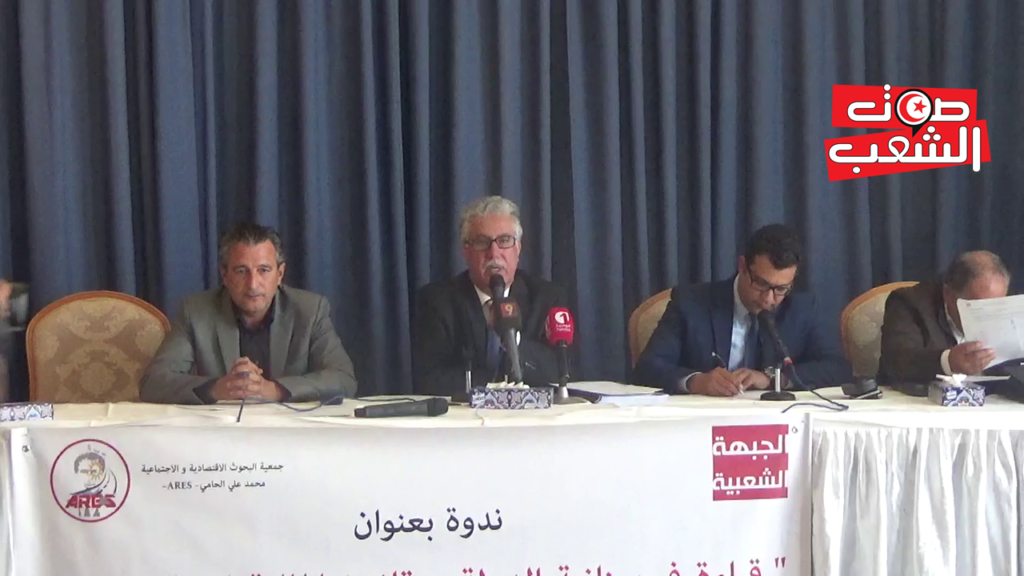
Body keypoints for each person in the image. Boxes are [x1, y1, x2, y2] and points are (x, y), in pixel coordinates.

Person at [140, 222, 358, 404]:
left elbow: (344, 379)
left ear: (280, 274)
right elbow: (153, 383)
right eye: (241, 271)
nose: (253, 284)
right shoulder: (195, 312)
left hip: (289, 434)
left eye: (264, 270)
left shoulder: (310, 310)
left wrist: (274, 390)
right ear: (224, 275)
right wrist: (216, 389)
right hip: (222, 434)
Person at [630, 224, 850, 396]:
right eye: (761, 284)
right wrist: (696, 381)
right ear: (743, 266)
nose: (768, 298)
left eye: (781, 289)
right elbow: (647, 368)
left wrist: (772, 379)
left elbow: (836, 368)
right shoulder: (691, 303)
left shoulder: (803, 307)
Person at [413, 196, 566, 396]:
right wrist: (495, 387)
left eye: (504, 241)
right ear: (465, 251)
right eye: (482, 242)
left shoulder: (546, 298)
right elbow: (429, 380)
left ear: (518, 248)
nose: (494, 253)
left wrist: (512, 338)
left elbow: (560, 371)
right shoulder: (437, 301)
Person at [878, 251, 1009, 384]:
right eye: (978, 307)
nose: (989, 316)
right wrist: (948, 362)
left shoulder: (1012, 311)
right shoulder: (909, 303)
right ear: (948, 294)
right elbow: (898, 361)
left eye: (997, 306)